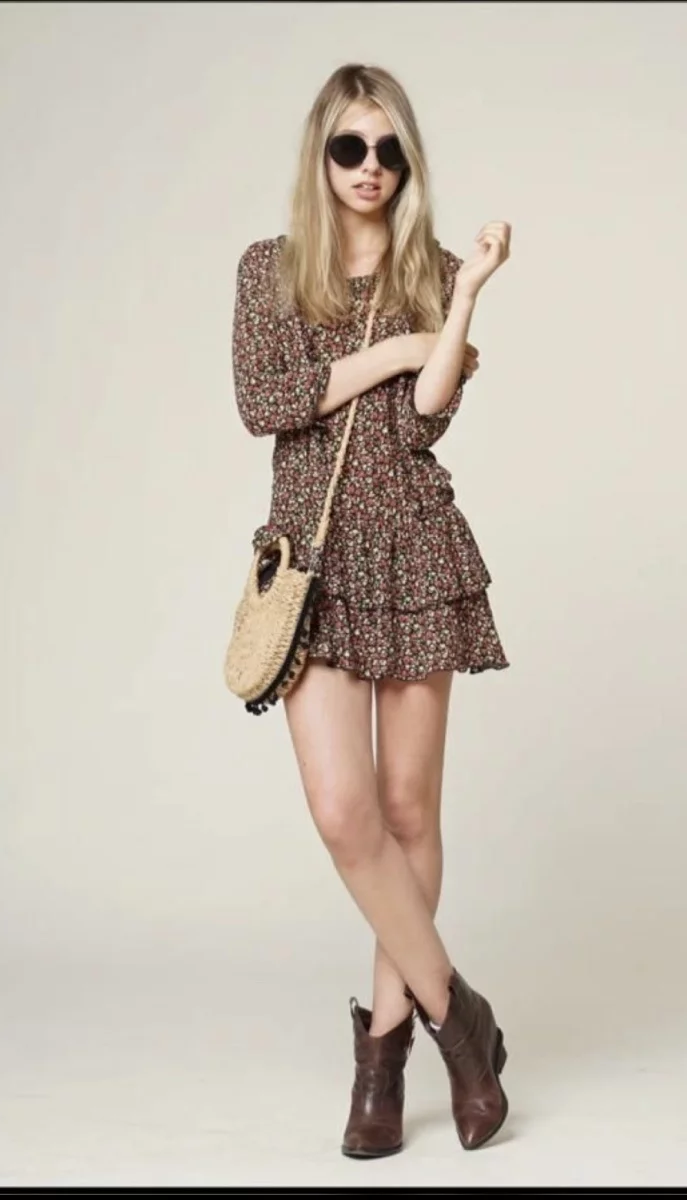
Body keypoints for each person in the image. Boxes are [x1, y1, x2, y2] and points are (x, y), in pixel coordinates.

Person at [231, 62, 512, 1157]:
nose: (370, 168)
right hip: (313, 560)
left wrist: (467, 294)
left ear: (408, 164)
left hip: (414, 547)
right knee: (345, 811)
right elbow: (265, 401)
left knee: (406, 811)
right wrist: (391, 348)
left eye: (389, 150)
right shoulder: (269, 271)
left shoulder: (429, 270)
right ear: (321, 153)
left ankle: (384, 1057)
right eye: (351, 147)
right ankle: (461, 1019)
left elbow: (429, 414)